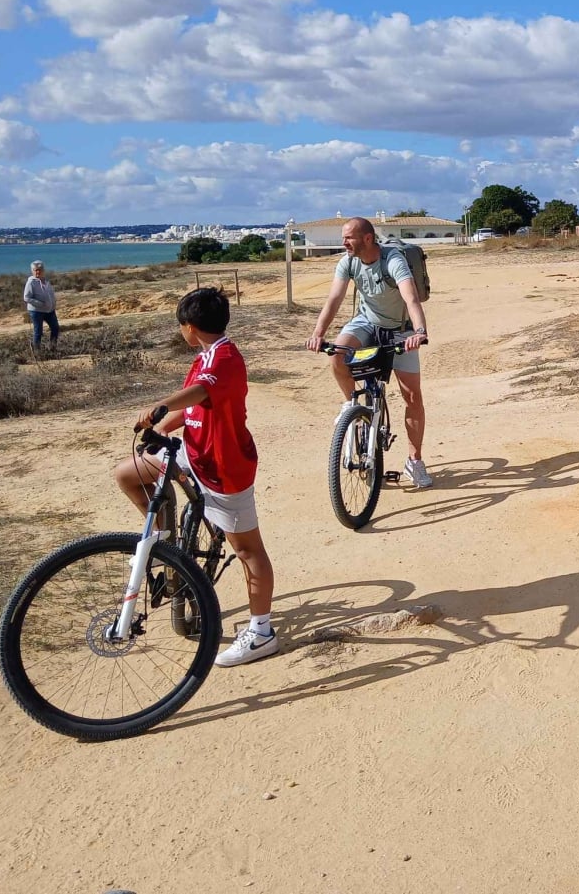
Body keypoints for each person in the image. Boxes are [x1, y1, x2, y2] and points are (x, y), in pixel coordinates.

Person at [113, 288, 280, 667]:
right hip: (193, 454)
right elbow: (191, 408)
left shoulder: (225, 360)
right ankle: (165, 543)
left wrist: (159, 406)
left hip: (224, 468)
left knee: (248, 551)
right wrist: (161, 427)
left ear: (189, 327)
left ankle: (261, 631)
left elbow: (198, 391)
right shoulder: (205, 355)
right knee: (127, 474)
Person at [305, 217, 433, 488]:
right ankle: (353, 405)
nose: (343, 242)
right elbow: (334, 299)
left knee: (412, 395)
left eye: (348, 238)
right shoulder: (348, 262)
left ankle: (415, 461)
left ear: (367, 238)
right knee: (337, 354)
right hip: (366, 323)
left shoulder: (392, 260)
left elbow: (410, 297)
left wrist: (419, 332)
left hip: (401, 328)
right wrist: (318, 334)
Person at [22, 260, 60, 351]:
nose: (37, 272)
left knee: (55, 328)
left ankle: (53, 348)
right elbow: (26, 297)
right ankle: (37, 352)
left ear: (43, 270)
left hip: (49, 310)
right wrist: (40, 304)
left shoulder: (46, 281)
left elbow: (50, 293)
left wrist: (53, 303)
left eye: (39, 270)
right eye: (35, 270)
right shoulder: (31, 282)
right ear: (32, 271)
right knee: (38, 332)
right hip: (36, 311)